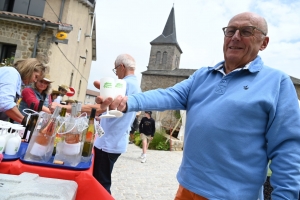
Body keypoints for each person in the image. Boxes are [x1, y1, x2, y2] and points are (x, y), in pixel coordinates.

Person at [94, 12, 300, 199]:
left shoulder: (277, 83)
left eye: (246, 31)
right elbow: (168, 94)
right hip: (187, 189)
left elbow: (288, 148)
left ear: (263, 43)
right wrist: (126, 102)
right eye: (230, 31)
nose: (235, 37)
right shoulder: (203, 75)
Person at [92, 54, 141, 194]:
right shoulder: (136, 86)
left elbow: (108, 107)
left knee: (101, 184)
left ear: (122, 67)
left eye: (116, 70)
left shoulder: (123, 84)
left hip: (108, 141)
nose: (117, 74)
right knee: (103, 180)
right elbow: (120, 113)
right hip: (117, 140)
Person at [0, 58, 46, 123]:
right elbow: (5, 104)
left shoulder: (16, 78)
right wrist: (28, 123)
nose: (35, 81)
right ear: (29, 70)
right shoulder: (11, 73)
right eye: (36, 76)